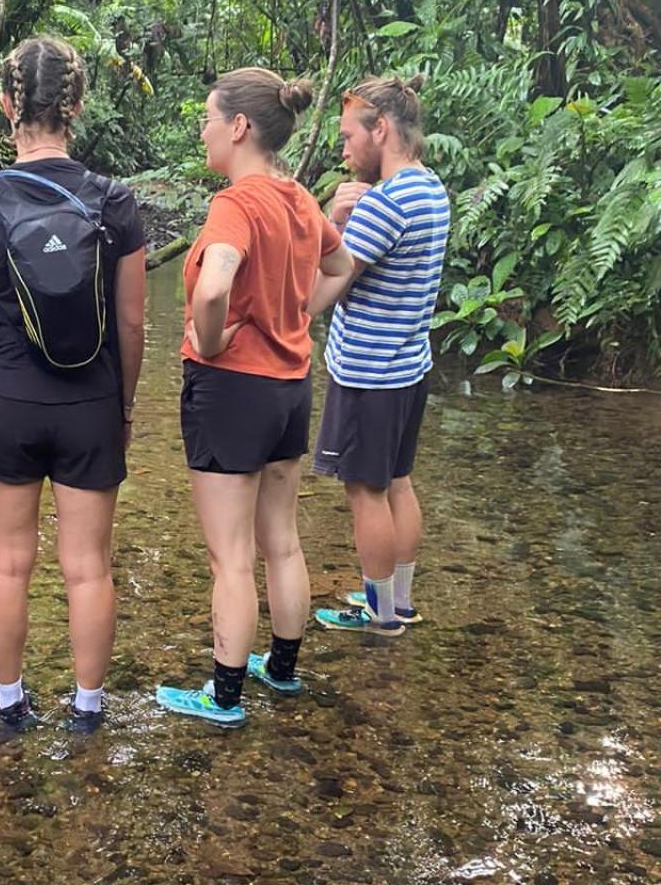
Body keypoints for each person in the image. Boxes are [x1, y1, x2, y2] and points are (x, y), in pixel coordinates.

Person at [0, 36, 146, 735]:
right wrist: (120, 407)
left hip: (7, 401)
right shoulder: (114, 203)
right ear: (77, 108)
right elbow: (130, 325)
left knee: (6, 562)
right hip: (90, 401)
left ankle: (10, 704)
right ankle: (87, 711)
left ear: (5, 106)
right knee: (88, 566)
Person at [156, 68, 353, 725]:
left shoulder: (235, 204)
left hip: (232, 387)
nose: (203, 131)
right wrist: (296, 317)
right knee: (282, 540)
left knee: (230, 558)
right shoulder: (297, 197)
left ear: (239, 127)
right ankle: (284, 669)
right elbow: (340, 265)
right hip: (290, 388)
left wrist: (209, 342)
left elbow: (213, 288)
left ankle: (224, 695)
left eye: (208, 120)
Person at [309, 74, 450, 636]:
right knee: (397, 481)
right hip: (409, 364)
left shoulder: (381, 205)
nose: (343, 152)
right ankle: (399, 600)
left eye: (348, 138)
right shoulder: (430, 188)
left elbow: (315, 298)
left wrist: (334, 221)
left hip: (368, 371)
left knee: (366, 492)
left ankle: (380, 615)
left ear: (381, 129)